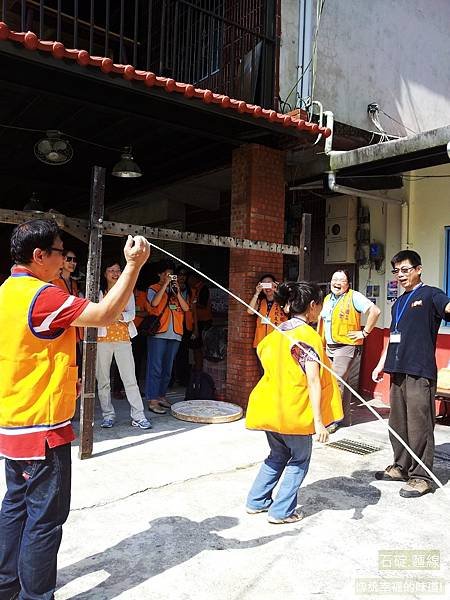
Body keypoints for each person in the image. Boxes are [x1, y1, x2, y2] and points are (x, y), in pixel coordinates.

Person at [0, 219, 150, 600]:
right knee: (44, 520)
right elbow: (103, 316)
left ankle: (6, 585)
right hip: (42, 428)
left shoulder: (6, 292)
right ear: (39, 256)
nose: (65, 260)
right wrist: (133, 266)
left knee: (15, 506)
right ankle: (37, 595)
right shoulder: (42, 295)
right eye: (59, 253)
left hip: (14, 421)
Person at [245, 282, 343, 524]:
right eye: (320, 305)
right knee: (299, 459)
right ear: (312, 306)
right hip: (294, 412)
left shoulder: (275, 334)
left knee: (277, 455)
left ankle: (256, 501)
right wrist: (319, 423)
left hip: (269, 408)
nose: (320, 311)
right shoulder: (307, 337)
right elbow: (313, 381)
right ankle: (281, 512)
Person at [372, 250, 450, 498]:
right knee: (398, 424)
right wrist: (380, 364)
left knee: (419, 425)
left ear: (418, 269)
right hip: (397, 369)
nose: (401, 275)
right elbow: (393, 338)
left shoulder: (431, 294)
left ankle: (421, 476)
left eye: (405, 270)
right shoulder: (398, 303)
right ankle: (401, 467)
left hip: (419, 370)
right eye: (397, 271)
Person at [317, 269, 380, 430]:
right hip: (329, 345)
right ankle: (343, 419)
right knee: (338, 381)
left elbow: (375, 311)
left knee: (336, 380)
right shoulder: (327, 299)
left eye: (341, 280)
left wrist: (364, 332)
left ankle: (331, 419)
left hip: (346, 346)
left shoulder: (354, 296)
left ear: (348, 284)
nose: (336, 283)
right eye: (334, 279)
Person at [95, 259, 152, 430]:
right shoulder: (97, 291)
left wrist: (117, 316)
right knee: (103, 380)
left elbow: (132, 314)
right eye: (111, 270)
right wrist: (113, 313)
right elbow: (97, 313)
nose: (115, 273)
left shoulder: (126, 291)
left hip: (123, 338)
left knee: (130, 379)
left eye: (118, 270)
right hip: (102, 339)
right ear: (105, 273)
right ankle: (108, 415)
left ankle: (138, 415)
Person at [145, 260, 190, 414]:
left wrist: (177, 292)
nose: (169, 276)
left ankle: (161, 395)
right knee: (155, 367)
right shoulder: (153, 288)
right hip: (158, 333)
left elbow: (186, 308)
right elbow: (154, 303)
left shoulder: (178, 290)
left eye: (171, 273)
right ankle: (152, 399)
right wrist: (164, 286)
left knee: (167, 369)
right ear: (160, 274)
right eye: (166, 273)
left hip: (175, 334)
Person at [247, 273, 287, 373]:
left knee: (276, 372)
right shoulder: (261, 302)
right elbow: (250, 311)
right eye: (264, 284)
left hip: (277, 344)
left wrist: (279, 292)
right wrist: (256, 293)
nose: (267, 287)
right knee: (263, 373)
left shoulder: (282, 301)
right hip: (261, 344)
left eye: (269, 284)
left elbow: (287, 310)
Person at [172, 266, 194, 385]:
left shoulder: (190, 291)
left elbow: (192, 310)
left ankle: (183, 379)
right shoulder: (171, 289)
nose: (182, 277)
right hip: (173, 324)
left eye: (184, 275)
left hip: (186, 325)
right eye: (179, 274)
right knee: (171, 354)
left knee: (183, 354)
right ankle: (171, 379)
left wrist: (195, 329)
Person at [188, 272, 213, 371]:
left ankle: (200, 369)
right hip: (196, 321)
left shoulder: (203, 288)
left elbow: (202, 304)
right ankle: (197, 368)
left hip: (204, 321)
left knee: (200, 347)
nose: (187, 280)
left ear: (194, 278)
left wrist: (191, 305)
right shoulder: (193, 290)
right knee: (195, 347)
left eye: (189, 278)